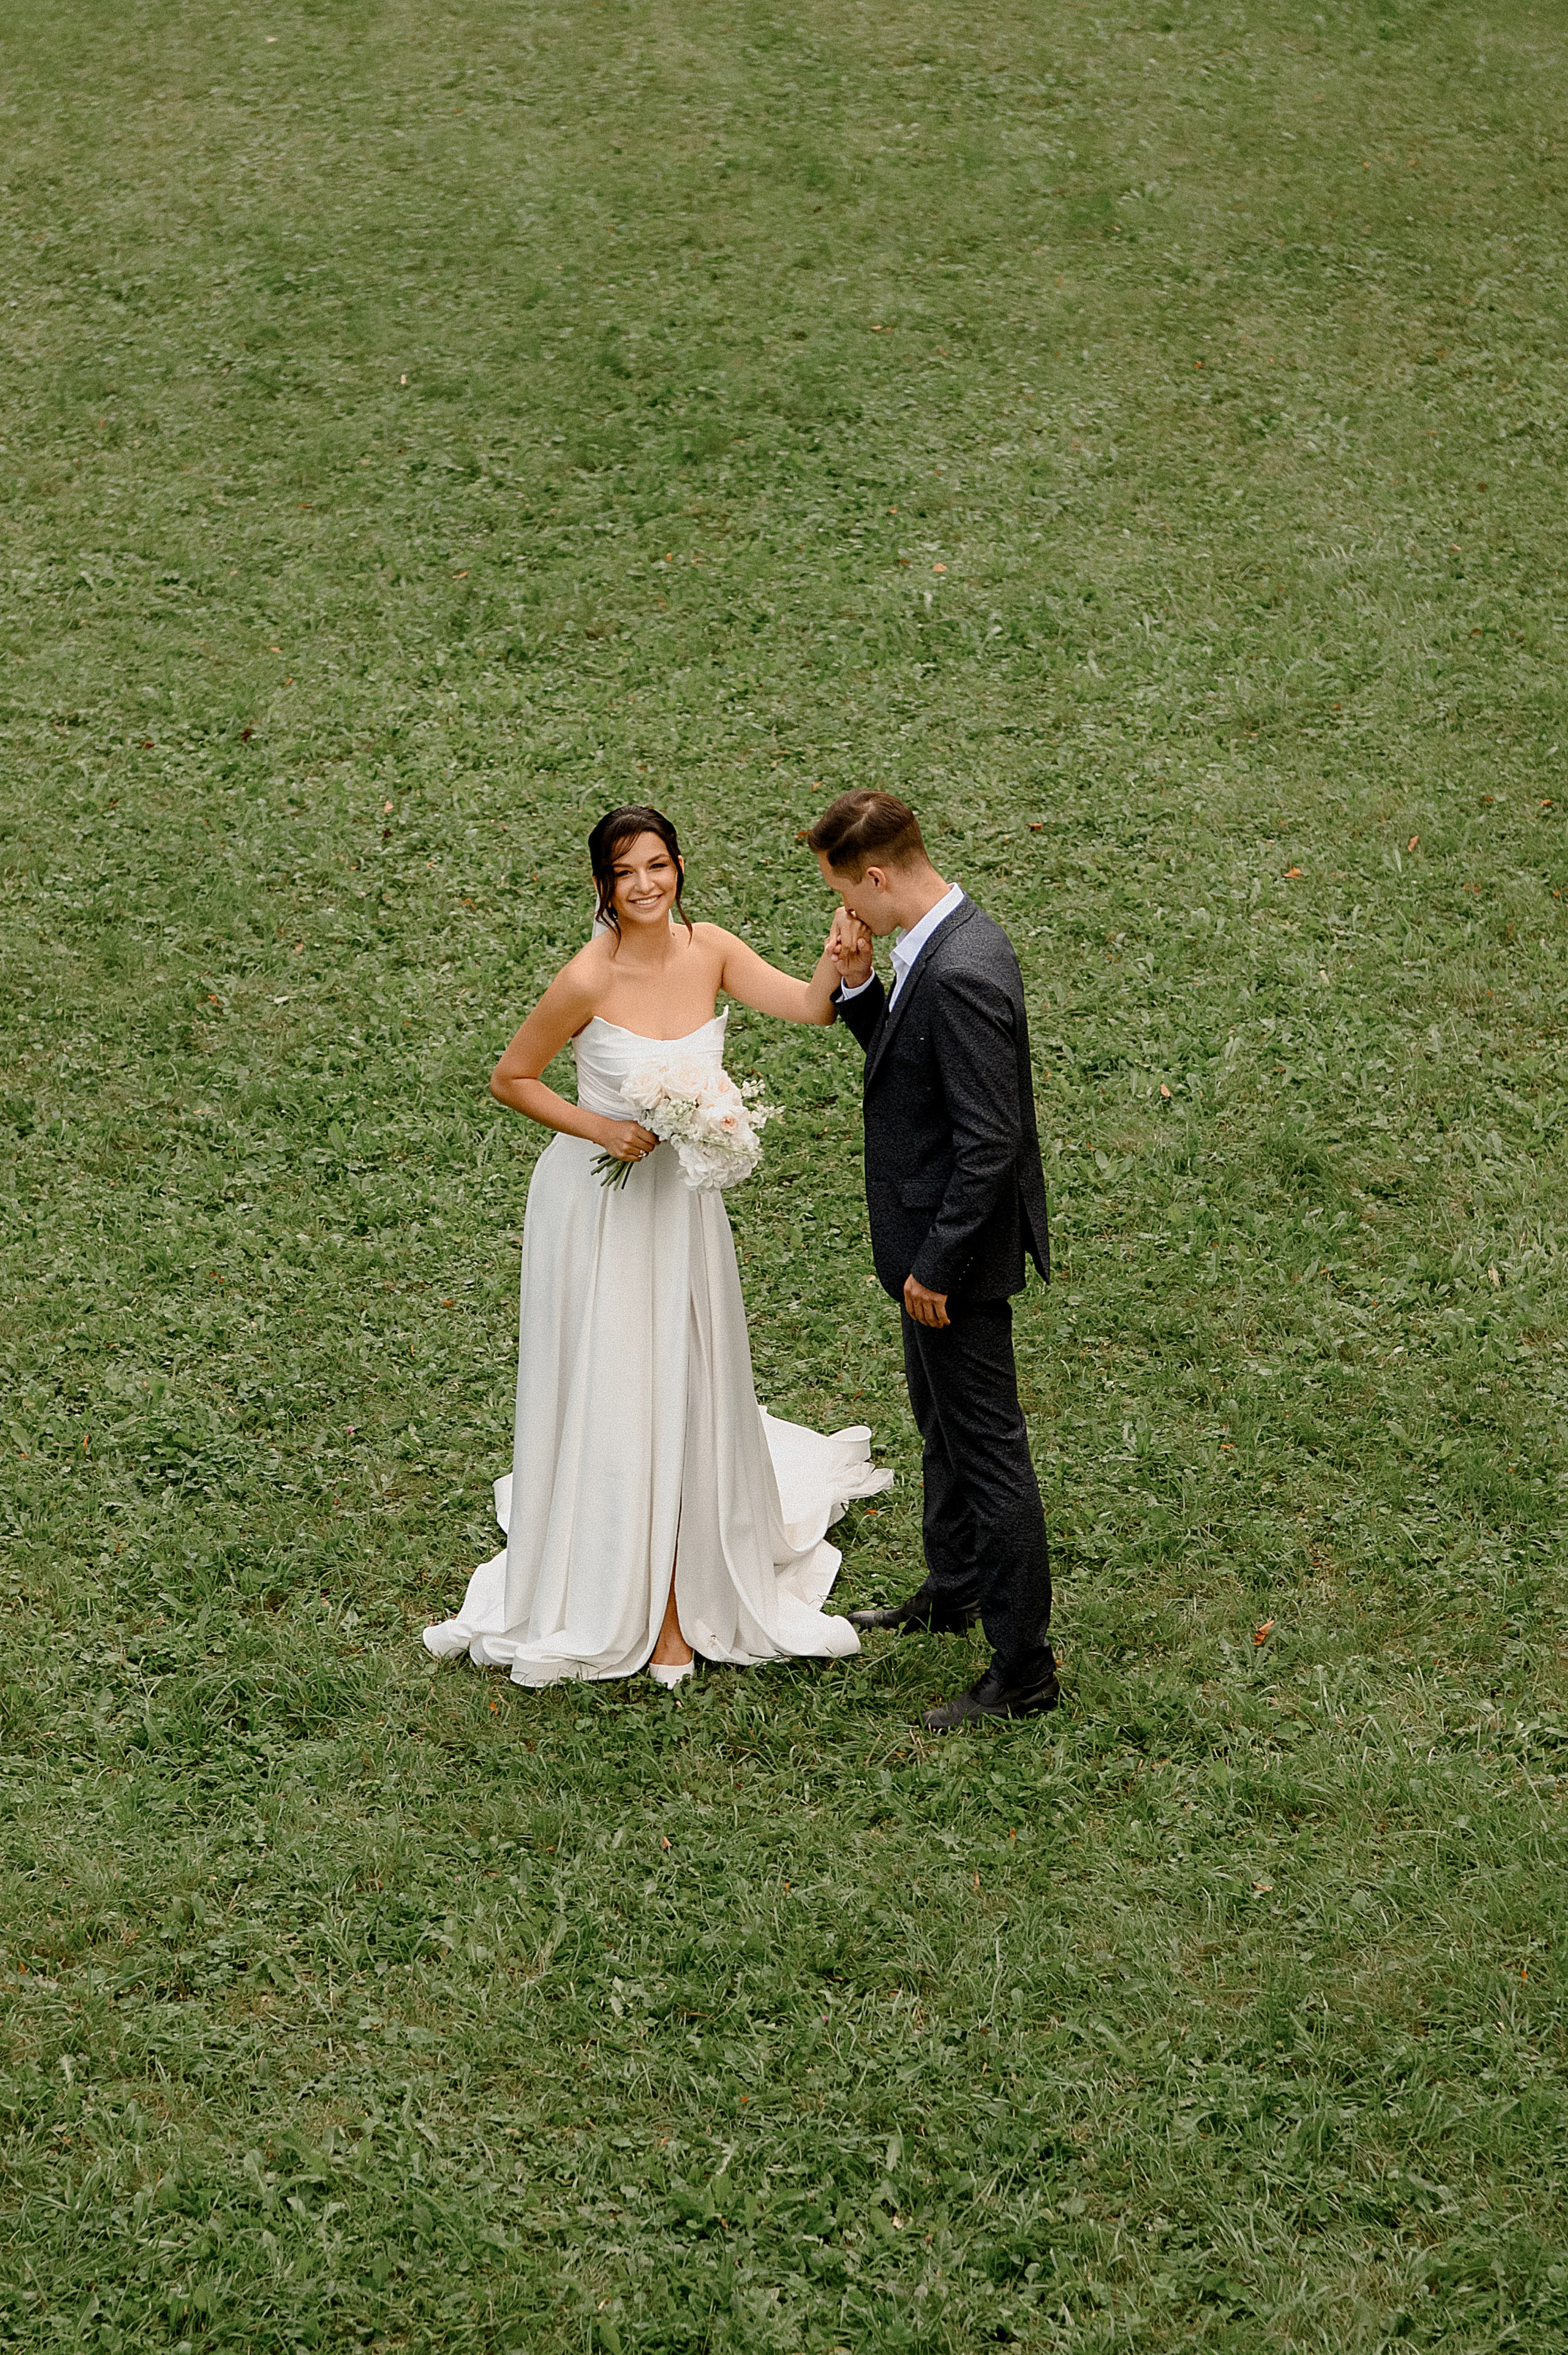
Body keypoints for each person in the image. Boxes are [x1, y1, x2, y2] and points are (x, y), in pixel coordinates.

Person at [423, 805, 890, 1690]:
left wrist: (843, 958)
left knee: (684, 1373)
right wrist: (602, 1127)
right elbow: (511, 1079)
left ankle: (683, 1593)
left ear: (678, 867)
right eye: (625, 872)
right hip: (596, 1208)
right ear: (604, 886)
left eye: (658, 866)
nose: (645, 885)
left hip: (680, 1201)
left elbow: (804, 1007)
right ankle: (630, 1590)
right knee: (617, 1378)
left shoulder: (708, 947)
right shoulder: (586, 978)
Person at [809, 790, 1058, 1731]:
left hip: (955, 1261)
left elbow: (989, 1142)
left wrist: (939, 1267)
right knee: (941, 1423)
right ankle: (953, 1586)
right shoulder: (934, 948)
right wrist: (863, 988)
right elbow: (912, 1075)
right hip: (931, 1247)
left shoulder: (959, 970)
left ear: (877, 877)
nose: (846, 914)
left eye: (846, 897)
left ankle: (1023, 1670)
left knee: (990, 1455)